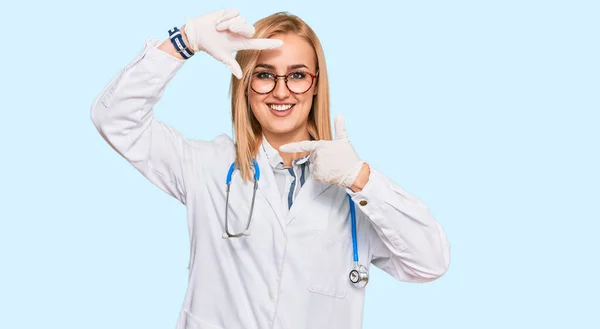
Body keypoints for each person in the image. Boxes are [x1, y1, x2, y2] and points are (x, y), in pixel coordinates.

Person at [90, 8, 450, 329]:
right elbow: (114, 117)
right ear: (245, 85)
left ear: (316, 85)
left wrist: (360, 178)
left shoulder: (354, 195)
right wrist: (186, 41)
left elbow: (429, 262)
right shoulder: (206, 166)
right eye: (264, 74)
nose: (281, 92)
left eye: (297, 75)